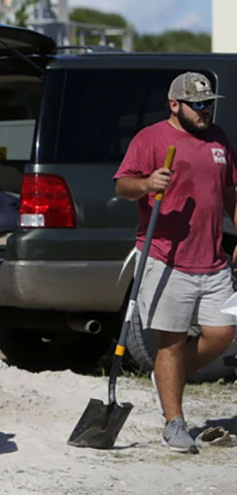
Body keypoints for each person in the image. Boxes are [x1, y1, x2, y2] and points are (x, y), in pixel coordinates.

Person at [114, 72, 237, 454]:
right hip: (167, 257)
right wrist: (147, 184)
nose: (205, 111)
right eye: (197, 104)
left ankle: (168, 374)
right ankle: (174, 422)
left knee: (223, 333)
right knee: (170, 342)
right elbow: (122, 185)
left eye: (208, 104)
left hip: (213, 259)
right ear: (175, 105)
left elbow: (230, 191)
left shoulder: (218, 139)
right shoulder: (150, 139)